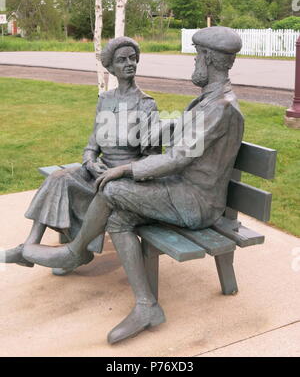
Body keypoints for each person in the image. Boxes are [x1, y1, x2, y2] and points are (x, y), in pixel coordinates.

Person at [23, 26, 245, 344]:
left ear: (208, 58)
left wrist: (126, 169)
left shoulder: (220, 107)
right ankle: (147, 306)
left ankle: (74, 252)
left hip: (197, 202)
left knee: (114, 190)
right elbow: (178, 135)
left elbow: (178, 158)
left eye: (197, 56)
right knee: (118, 215)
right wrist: (146, 130)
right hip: (183, 190)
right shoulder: (209, 102)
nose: (194, 63)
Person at [2, 37, 160, 274]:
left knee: (77, 188)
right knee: (58, 178)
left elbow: (152, 160)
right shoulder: (105, 100)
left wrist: (120, 171)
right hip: (98, 171)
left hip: (124, 179)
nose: (129, 63)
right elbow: (92, 144)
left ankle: (63, 254)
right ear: (110, 68)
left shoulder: (146, 105)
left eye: (132, 58)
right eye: (121, 60)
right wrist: (89, 161)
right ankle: (30, 246)